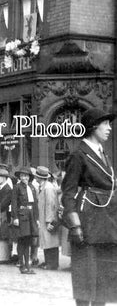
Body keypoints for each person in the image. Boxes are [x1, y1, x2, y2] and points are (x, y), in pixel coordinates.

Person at [62, 108, 117, 306]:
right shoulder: (78, 155)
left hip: (107, 226)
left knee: (104, 282)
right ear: (94, 126)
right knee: (86, 281)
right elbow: (68, 194)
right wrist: (75, 226)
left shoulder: (104, 155)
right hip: (87, 226)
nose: (109, 128)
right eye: (106, 124)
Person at [11, 166, 39, 274]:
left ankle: (28, 265)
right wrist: (15, 217)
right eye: (22, 176)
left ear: (29, 177)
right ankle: (22, 265)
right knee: (21, 241)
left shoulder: (32, 187)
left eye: (26, 176)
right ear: (19, 177)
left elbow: (35, 204)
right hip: (22, 216)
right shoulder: (16, 187)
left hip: (31, 216)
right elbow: (14, 203)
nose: (24, 178)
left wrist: (36, 218)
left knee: (28, 241)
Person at [34, 166, 60, 270]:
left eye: (37, 176)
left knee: (50, 241)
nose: (36, 178)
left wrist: (50, 221)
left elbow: (51, 204)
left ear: (39, 177)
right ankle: (48, 262)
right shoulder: (44, 186)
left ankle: (52, 264)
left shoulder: (48, 188)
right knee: (47, 240)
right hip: (44, 218)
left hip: (48, 219)